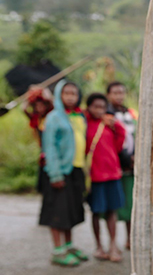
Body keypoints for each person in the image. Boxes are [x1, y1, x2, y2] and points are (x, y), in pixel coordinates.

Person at [40, 80, 88, 267]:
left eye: (74, 93)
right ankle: (58, 251)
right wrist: (55, 174)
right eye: (66, 93)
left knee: (71, 211)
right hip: (60, 171)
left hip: (75, 170)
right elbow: (49, 147)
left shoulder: (78, 116)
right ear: (59, 95)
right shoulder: (54, 117)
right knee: (57, 212)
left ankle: (69, 246)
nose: (70, 97)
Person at [85, 92, 126, 262]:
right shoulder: (85, 123)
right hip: (95, 177)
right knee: (96, 212)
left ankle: (113, 245)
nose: (99, 110)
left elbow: (119, 143)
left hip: (112, 175)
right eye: (95, 106)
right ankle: (99, 246)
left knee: (112, 212)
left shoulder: (109, 124)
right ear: (89, 108)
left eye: (102, 107)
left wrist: (116, 125)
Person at [106, 81, 138, 250]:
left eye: (121, 92)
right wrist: (125, 159)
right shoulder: (106, 114)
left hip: (131, 166)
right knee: (114, 206)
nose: (119, 96)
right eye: (115, 92)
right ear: (108, 95)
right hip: (115, 165)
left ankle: (129, 239)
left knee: (130, 205)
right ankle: (112, 243)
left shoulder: (129, 113)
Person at [21, 86, 54, 192]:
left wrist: (45, 93)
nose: (40, 108)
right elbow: (24, 109)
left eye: (42, 106)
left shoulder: (51, 116)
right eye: (37, 106)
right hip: (43, 149)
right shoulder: (36, 118)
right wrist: (29, 96)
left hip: (53, 148)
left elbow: (53, 103)